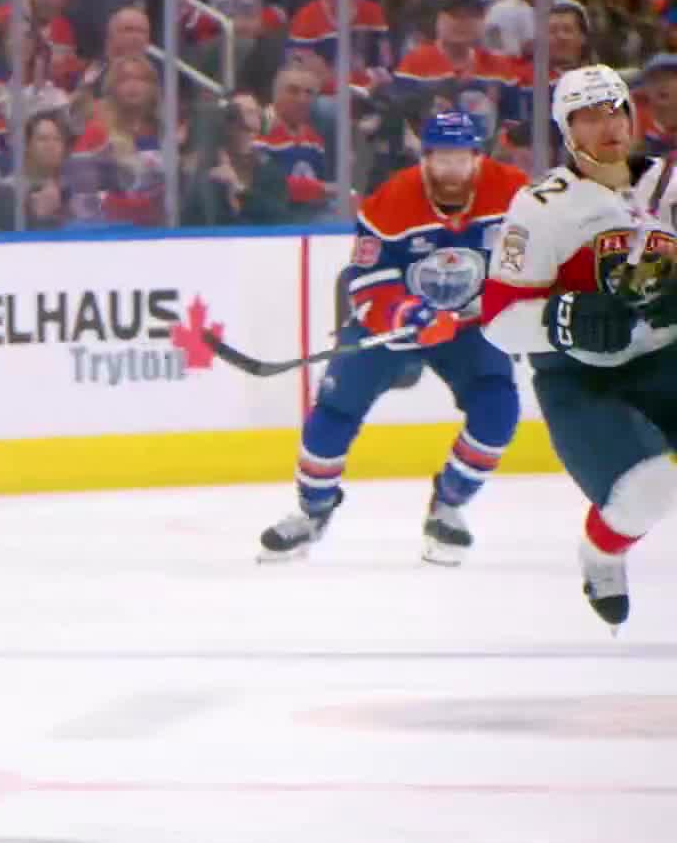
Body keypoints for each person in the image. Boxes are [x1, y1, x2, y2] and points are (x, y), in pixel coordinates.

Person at [259, 111, 530, 565]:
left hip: (467, 328)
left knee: (498, 409)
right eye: (441, 159)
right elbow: (364, 280)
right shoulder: (390, 200)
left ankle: (448, 505)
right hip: (396, 321)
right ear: (424, 158)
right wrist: (407, 311)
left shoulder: (515, 192)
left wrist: (508, 302)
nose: (451, 170)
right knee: (333, 413)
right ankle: (312, 511)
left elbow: (534, 256)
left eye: (460, 159)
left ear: (478, 158)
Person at [482, 64, 677, 628]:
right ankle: (601, 555)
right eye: (587, 117)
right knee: (646, 491)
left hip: (665, 358)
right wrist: (563, 319)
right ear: (567, 132)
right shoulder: (541, 208)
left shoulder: (668, 185)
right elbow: (499, 319)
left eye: (614, 110)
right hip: (582, 377)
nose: (606, 127)